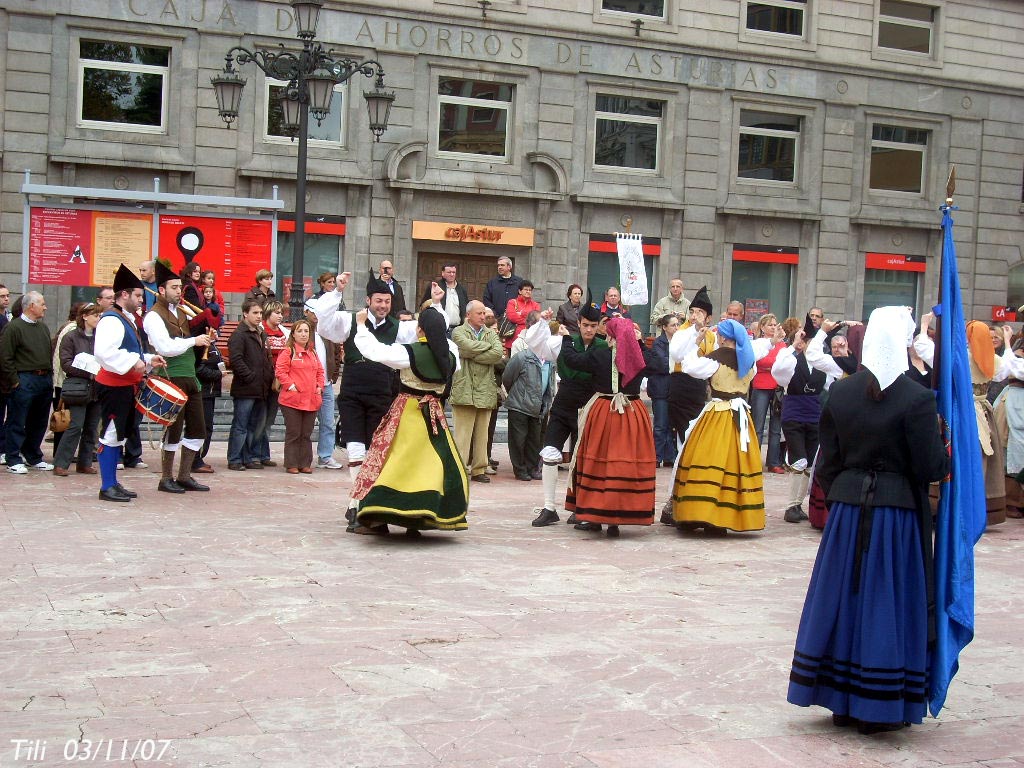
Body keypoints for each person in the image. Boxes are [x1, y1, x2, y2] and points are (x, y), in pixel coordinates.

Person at [787, 305, 949, 735]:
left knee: (845, 596)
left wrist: (848, 490)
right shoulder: (917, 398)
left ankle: (841, 698)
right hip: (895, 518)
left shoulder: (841, 392)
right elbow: (932, 467)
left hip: (847, 513)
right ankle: (878, 702)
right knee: (885, 600)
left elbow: (828, 463)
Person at [313, 272, 439, 531]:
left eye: (387, 302)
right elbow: (323, 322)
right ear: (368, 300)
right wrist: (336, 292)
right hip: (352, 394)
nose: (382, 306)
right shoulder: (350, 321)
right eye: (378, 301)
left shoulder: (399, 327)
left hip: (382, 394)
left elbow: (428, 331)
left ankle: (364, 504)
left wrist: (435, 304)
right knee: (356, 448)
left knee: (376, 452)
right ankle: (356, 503)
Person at [349, 303, 466, 535]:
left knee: (390, 462)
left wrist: (361, 326)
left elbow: (374, 351)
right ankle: (418, 520)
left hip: (408, 414)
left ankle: (378, 519)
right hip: (434, 416)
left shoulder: (409, 352)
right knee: (429, 466)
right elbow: (447, 349)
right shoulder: (451, 356)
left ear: (420, 330)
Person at [668, 317, 772, 534]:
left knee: (706, 459)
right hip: (741, 415)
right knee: (736, 463)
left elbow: (689, 367)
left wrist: (695, 343)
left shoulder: (717, 358)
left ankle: (703, 514)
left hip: (719, 413)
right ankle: (730, 515)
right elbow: (762, 349)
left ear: (723, 337)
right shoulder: (748, 358)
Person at [560, 317, 657, 537]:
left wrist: (566, 339)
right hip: (633, 413)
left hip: (604, 411)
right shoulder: (639, 355)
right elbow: (657, 365)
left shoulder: (600, 354)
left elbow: (573, 360)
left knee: (597, 462)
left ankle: (595, 517)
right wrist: (640, 343)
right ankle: (618, 518)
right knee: (624, 463)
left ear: (611, 335)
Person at [915, 315, 1012, 527]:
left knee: (953, 454)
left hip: (960, 412)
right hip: (982, 413)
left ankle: (946, 506)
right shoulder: (994, 359)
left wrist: (923, 327)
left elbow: (925, 350)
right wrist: (1007, 342)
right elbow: (1008, 367)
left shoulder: (958, 358)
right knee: (979, 459)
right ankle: (973, 508)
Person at [524, 301, 608, 526]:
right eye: (585, 325)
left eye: (592, 325)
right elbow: (535, 344)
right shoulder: (564, 342)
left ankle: (581, 507)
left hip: (592, 406)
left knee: (585, 458)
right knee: (550, 452)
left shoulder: (605, 346)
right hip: (563, 404)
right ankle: (549, 507)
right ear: (578, 324)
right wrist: (542, 321)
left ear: (598, 326)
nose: (589, 329)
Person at [93, 265, 166, 501]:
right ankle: (107, 486)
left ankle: (113, 481)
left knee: (119, 435)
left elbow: (126, 352)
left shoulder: (126, 319)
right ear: (124, 294)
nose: (141, 300)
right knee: (111, 434)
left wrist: (147, 359)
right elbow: (104, 353)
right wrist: (135, 361)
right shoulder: (112, 319)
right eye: (137, 295)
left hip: (125, 385)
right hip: (114, 386)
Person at [143, 261, 213, 493]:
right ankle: (165, 478)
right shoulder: (153, 316)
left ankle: (184, 476)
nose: (178, 291)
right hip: (169, 376)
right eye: (173, 288)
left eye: (179, 288)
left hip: (190, 376)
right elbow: (164, 347)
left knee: (197, 429)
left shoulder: (180, 311)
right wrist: (195, 341)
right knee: (173, 430)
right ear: (161, 290)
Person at [771, 318, 829, 524]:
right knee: (799, 459)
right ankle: (790, 507)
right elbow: (777, 372)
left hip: (814, 415)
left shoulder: (822, 363)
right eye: (809, 341)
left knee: (810, 462)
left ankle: (798, 505)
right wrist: (792, 348)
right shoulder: (790, 358)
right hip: (793, 414)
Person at [1, 291, 54, 475]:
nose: (45, 307)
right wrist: (15, 382)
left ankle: (33, 456)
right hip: (24, 379)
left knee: (39, 421)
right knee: (17, 420)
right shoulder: (13, 328)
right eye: (42, 303)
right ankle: (13, 458)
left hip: (43, 379)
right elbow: (5, 357)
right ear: (31, 306)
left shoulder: (43, 328)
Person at [451, 300, 505, 483]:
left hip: (485, 388)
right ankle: (459, 467)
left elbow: (498, 354)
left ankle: (479, 469)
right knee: (462, 434)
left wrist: (468, 352)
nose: (483, 317)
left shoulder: (490, 333)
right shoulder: (458, 331)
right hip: (464, 387)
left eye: (485, 314)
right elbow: (462, 346)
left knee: (483, 433)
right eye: (479, 313)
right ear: (468, 315)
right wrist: (485, 348)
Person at [53, 303, 103, 476]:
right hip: (78, 388)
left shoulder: (100, 337)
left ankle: (85, 462)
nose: (98, 318)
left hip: (97, 388)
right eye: (95, 315)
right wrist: (88, 372)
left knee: (91, 427)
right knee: (75, 426)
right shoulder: (71, 337)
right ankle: (61, 463)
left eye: (99, 315)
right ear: (85, 317)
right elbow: (66, 363)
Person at [227, 299, 274, 471]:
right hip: (245, 388)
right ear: (245, 313)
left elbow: (265, 358)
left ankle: (248, 457)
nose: (258, 316)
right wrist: (250, 376)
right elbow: (236, 360)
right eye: (255, 313)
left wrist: (267, 378)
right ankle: (234, 458)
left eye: (260, 313)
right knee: (240, 425)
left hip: (260, 388)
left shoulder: (260, 333)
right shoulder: (239, 334)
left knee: (254, 426)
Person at [275, 319, 324, 474]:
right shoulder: (288, 351)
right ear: (293, 334)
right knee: (294, 432)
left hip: (311, 398)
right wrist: (291, 386)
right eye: (300, 331)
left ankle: (305, 462)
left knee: (306, 434)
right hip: (292, 400)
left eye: (306, 331)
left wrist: (319, 386)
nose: (303, 334)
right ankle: (291, 463)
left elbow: (320, 372)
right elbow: (280, 371)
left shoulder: (312, 352)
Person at [502, 336, 554, 481]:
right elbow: (507, 378)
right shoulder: (522, 357)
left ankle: (532, 468)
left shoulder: (550, 361)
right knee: (518, 440)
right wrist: (518, 394)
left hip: (538, 406)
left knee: (535, 440)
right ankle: (520, 469)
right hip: (519, 405)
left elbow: (549, 383)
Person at [303, 301, 343, 469]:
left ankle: (325, 456)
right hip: (307, 385)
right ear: (306, 312)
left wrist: (333, 376)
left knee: (328, 422)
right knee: (305, 424)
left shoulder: (326, 332)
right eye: (314, 312)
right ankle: (301, 458)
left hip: (325, 384)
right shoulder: (304, 332)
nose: (317, 316)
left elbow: (335, 354)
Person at [253, 301, 289, 468]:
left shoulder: (284, 333)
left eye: (281, 312)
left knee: (269, 420)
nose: (280, 316)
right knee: (259, 419)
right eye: (277, 312)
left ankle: (263, 454)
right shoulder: (261, 331)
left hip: (278, 382)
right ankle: (254, 454)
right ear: (268, 314)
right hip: (263, 380)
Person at [750, 313, 786, 474]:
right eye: (770, 325)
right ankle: (753, 461)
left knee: (776, 426)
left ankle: (773, 462)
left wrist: (770, 365)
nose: (773, 327)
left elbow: (783, 362)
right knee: (757, 425)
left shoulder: (782, 344)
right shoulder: (758, 343)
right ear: (762, 328)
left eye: (774, 324)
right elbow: (759, 361)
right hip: (761, 385)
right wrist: (772, 365)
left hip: (777, 387)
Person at [648, 313, 679, 467]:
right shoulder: (658, 343)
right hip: (660, 388)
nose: (676, 327)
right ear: (665, 327)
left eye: (677, 324)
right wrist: (677, 363)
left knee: (672, 424)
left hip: (675, 388)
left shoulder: (679, 342)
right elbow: (662, 363)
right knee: (660, 424)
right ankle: (656, 456)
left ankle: (670, 456)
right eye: (673, 325)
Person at [192, 328, 223, 474]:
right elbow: (199, 369)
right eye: (211, 330)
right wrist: (218, 374)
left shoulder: (212, 346)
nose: (215, 333)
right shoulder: (201, 347)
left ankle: (199, 458)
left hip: (211, 391)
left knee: (207, 427)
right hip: (203, 392)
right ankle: (195, 459)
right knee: (202, 426)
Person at [421, 263, 468, 333]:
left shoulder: (462, 289)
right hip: (439, 328)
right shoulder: (435, 287)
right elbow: (424, 305)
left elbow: (466, 307)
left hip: (458, 329)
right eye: (449, 272)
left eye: (453, 272)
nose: (452, 274)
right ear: (443, 273)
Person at [503, 280, 540, 353]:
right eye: (526, 289)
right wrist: (529, 318)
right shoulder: (512, 302)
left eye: (530, 290)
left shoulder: (535, 305)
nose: (528, 291)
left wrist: (521, 314)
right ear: (520, 291)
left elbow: (536, 319)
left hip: (530, 338)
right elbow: (512, 317)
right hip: (513, 337)